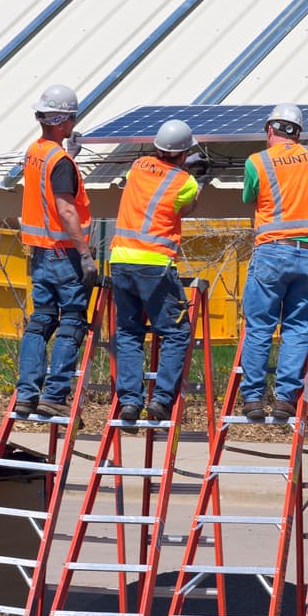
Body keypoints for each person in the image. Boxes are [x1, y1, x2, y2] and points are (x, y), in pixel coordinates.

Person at [109, 119, 209, 425]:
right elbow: (185, 207)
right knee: (176, 333)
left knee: (128, 332)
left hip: (120, 259)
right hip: (154, 264)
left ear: (156, 147)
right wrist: (198, 181)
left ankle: (129, 402)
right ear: (185, 153)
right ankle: (162, 400)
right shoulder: (185, 182)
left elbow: (151, 183)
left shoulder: (138, 166)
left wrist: (181, 166)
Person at [239, 104, 308, 419]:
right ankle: (285, 399)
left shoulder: (256, 162)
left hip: (271, 253)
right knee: (297, 327)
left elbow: (249, 196)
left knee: (260, 326)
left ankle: (252, 398)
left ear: (269, 131)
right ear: (298, 133)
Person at [14, 84, 98, 418]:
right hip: (64, 254)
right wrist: (86, 254)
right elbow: (64, 209)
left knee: (41, 321)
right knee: (72, 321)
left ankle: (26, 394)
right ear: (64, 122)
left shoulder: (35, 151)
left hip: (39, 254)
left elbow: (45, 188)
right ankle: (55, 395)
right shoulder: (59, 161)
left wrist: (69, 158)